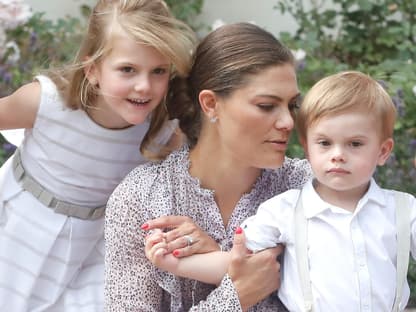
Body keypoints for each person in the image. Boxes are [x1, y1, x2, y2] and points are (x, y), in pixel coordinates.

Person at [146, 71, 416, 311]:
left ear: (383, 151)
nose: (338, 155)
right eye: (324, 143)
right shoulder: (285, 211)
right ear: (307, 148)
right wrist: (176, 265)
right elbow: (237, 265)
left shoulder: (404, 211)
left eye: (355, 144)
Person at [0, 0, 195, 311]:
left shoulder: (160, 130)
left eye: (158, 71)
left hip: (93, 246)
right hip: (22, 228)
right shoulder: (48, 102)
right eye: (127, 69)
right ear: (93, 70)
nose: (144, 86)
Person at [105, 22, 312, 311]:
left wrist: (218, 258)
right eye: (267, 105)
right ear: (211, 104)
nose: (288, 122)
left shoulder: (310, 188)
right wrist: (236, 295)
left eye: (291, 106)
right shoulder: (141, 198)